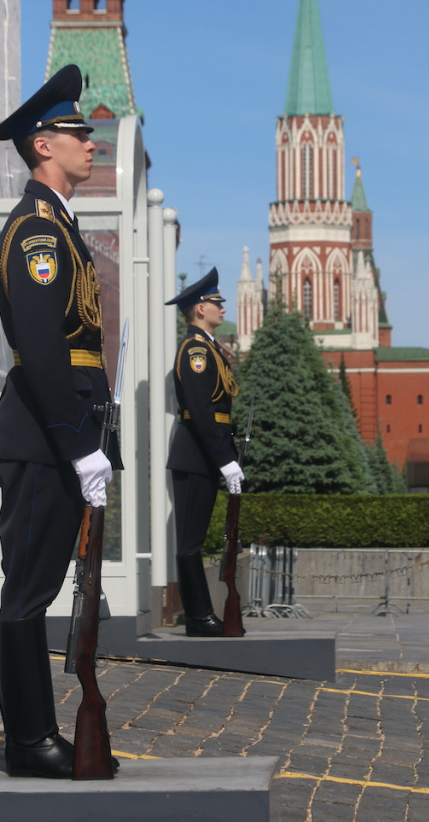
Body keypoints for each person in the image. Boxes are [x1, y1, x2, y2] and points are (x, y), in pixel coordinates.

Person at [0, 64, 122, 778]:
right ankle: (30, 740)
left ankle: (35, 736)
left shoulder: (60, 228)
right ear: (43, 145)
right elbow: (41, 350)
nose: (89, 142)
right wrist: (76, 447)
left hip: (64, 437)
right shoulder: (37, 233)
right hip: (44, 440)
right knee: (29, 592)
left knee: (41, 588)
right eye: (76, 133)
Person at [166, 267, 243, 636]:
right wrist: (224, 459)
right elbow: (200, 409)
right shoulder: (196, 350)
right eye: (216, 303)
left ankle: (202, 615)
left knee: (194, 539)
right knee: (190, 542)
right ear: (200, 309)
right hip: (196, 454)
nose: (222, 309)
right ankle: (198, 617)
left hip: (204, 454)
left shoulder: (209, 347)